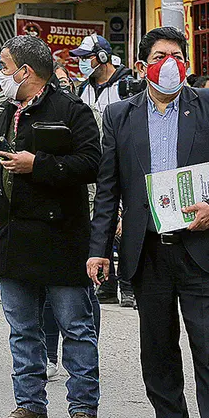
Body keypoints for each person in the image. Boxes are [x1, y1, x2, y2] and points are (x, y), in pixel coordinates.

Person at [87, 27, 209, 418]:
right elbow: (108, 190)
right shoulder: (120, 116)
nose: (171, 63)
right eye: (161, 55)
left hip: (201, 245)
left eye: (178, 55)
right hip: (148, 251)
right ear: (143, 67)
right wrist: (98, 248)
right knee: (157, 346)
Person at [0, 34, 101, 418]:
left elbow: (92, 163)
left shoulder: (71, 110)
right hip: (14, 238)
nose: (1, 76)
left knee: (76, 327)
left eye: (5, 67)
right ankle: (29, 407)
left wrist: (37, 164)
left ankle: (82, 411)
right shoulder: (7, 112)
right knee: (23, 329)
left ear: (26, 71)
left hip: (62, 237)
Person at [71, 34, 134, 306]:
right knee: (101, 224)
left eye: (87, 57)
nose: (83, 63)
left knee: (127, 227)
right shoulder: (82, 89)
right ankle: (105, 285)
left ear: (103, 56)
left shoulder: (126, 86)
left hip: (125, 164)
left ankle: (129, 285)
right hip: (95, 166)